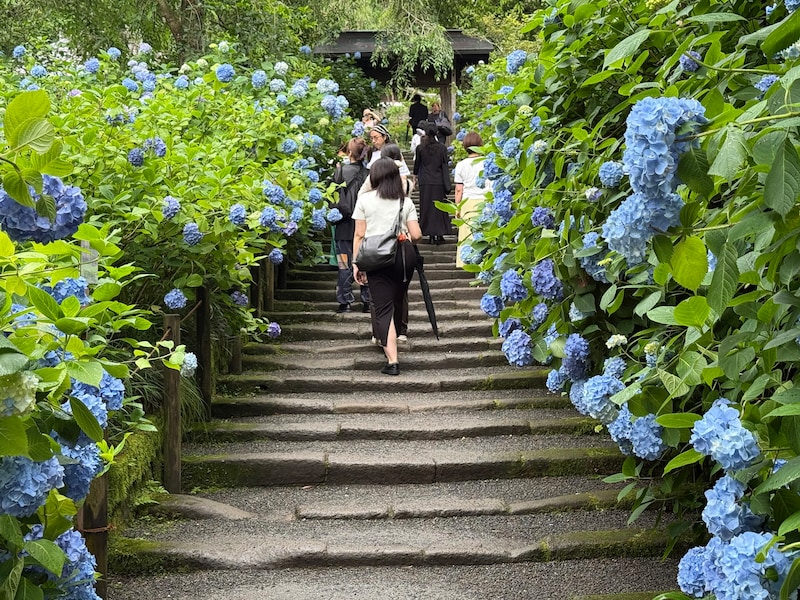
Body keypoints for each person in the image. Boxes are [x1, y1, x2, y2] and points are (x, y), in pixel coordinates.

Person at [353, 158, 422, 375]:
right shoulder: (405, 202)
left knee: (382, 308)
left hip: (375, 257)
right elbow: (418, 235)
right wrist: (406, 236)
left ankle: (392, 361)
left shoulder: (365, 200)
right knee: (397, 297)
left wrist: (357, 263)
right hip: (403, 256)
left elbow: (359, 234)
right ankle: (399, 333)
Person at [332, 138, 371, 313]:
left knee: (343, 264)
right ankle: (367, 300)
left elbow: (331, 198)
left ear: (349, 153)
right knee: (366, 262)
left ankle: (345, 301)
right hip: (365, 227)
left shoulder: (339, 173)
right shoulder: (369, 174)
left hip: (343, 227)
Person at [454, 132, 491, 268]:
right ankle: (486, 261)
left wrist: (457, 207)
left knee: (467, 233)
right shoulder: (487, 162)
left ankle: (466, 261)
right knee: (485, 232)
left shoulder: (461, 165)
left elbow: (459, 189)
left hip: (468, 202)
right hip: (485, 201)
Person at [414, 121, 452, 244]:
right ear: (436, 132)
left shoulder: (420, 148)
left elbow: (417, 166)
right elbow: (444, 165)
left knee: (426, 207)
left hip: (425, 181)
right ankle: (439, 233)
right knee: (440, 207)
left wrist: (415, 178)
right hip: (438, 181)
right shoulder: (442, 148)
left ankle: (429, 234)